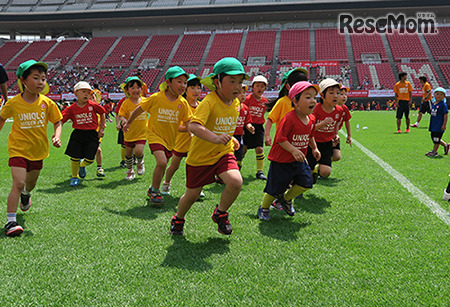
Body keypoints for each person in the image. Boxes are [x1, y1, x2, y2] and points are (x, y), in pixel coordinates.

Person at [169, 57, 248, 236]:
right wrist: (214, 138)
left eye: (240, 82)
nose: (237, 86)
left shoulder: (236, 103)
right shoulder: (209, 102)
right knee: (192, 196)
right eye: (232, 81)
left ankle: (220, 214)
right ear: (217, 82)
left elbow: (224, 125)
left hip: (222, 153)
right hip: (200, 158)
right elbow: (194, 126)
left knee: (236, 182)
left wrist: (231, 139)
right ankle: (178, 218)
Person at [0, 60, 62, 236]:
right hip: (18, 149)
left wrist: (56, 136)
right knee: (18, 183)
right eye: (36, 78)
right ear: (23, 81)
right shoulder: (12, 103)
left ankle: (26, 194)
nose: (41, 82)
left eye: (43, 78)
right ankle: (11, 222)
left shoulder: (47, 103)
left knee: (30, 184)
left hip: (38, 151)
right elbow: (2, 118)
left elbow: (57, 121)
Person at [122, 66, 192, 205]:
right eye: (179, 81)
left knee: (162, 166)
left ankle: (152, 188)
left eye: (185, 82)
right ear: (168, 82)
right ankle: (155, 191)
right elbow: (139, 109)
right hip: (154, 135)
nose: (183, 85)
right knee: (161, 162)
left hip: (170, 140)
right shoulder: (156, 98)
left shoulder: (183, 103)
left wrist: (192, 134)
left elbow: (189, 122)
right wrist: (128, 123)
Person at [257, 81, 320, 220]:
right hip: (281, 160)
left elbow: (310, 136)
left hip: (298, 160)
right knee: (275, 188)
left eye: (314, 97)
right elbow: (280, 138)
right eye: (308, 97)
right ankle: (264, 207)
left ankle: (284, 199)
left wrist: (314, 148)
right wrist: (293, 150)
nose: (313, 101)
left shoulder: (312, 119)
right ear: (295, 101)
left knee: (306, 182)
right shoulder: (289, 118)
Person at [162, 74, 202, 195]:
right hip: (181, 142)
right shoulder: (181, 104)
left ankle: (196, 188)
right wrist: (190, 129)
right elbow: (176, 125)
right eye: (192, 88)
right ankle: (166, 183)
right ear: (186, 90)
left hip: (196, 143)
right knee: (174, 166)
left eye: (198, 88)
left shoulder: (201, 106)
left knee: (196, 167)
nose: (196, 91)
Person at [61, 81, 106, 187]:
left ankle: (82, 165)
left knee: (90, 159)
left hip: (92, 134)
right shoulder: (71, 108)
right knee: (74, 157)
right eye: (83, 91)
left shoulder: (93, 105)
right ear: (76, 93)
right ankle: (74, 177)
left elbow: (102, 112)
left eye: (88, 92)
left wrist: (102, 129)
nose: (86, 94)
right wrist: (56, 132)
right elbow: (61, 119)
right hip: (77, 134)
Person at [306, 78, 343, 181]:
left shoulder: (339, 110)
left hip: (327, 143)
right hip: (313, 143)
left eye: (337, 93)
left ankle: (317, 169)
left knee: (325, 173)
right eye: (331, 93)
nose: (335, 95)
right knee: (307, 171)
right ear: (322, 95)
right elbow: (309, 128)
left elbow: (336, 124)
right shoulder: (315, 109)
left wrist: (336, 135)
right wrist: (323, 123)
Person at [264, 68, 308, 147]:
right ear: (288, 86)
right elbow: (270, 119)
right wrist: (267, 135)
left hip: (299, 143)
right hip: (282, 143)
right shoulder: (283, 102)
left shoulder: (305, 103)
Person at [118, 77, 147, 180]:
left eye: (138, 87)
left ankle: (140, 162)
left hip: (142, 133)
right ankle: (130, 171)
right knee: (128, 154)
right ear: (127, 90)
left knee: (139, 151)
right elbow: (121, 115)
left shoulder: (145, 101)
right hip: (129, 133)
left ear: (141, 89)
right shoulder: (126, 103)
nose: (136, 90)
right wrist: (123, 120)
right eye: (132, 88)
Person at [243, 75, 269, 180]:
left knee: (259, 149)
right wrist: (246, 124)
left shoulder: (265, 102)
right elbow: (242, 112)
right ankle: (237, 167)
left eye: (262, 86)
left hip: (258, 127)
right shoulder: (248, 99)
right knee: (243, 149)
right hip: (247, 126)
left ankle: (260, 172)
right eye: (257, 85)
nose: (260, 88)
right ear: (252, 87)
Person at [233, 84, 254, 169]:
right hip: (230, 135)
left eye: (244, 92)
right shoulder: (231, 107)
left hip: (239, 135)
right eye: (239, 93)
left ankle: (237, 171)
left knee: (239, 154)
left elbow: (247, 121)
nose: (242, 95)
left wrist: (249, 127)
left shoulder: (245, 108)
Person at [426, 87, 449, 157]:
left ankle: (434, 151)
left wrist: (444, 125)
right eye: (437, 94)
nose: (439, 96)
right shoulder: (434, 104)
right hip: (433, 125)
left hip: (439, 125)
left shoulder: (443, 105)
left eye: (441, 94)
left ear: (444, 96)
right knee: (434, 137)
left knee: (436, 138)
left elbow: (445, 115)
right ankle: (446, 145)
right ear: (434, 95)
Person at [332, 86, 352, 162]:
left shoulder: (345, 108)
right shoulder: (330, 107)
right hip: (326, 134)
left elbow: (347, 120)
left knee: (336, 156)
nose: (344, 97)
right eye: (341, 94)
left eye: (345, 94)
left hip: (335, 135)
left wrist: (349, 135)